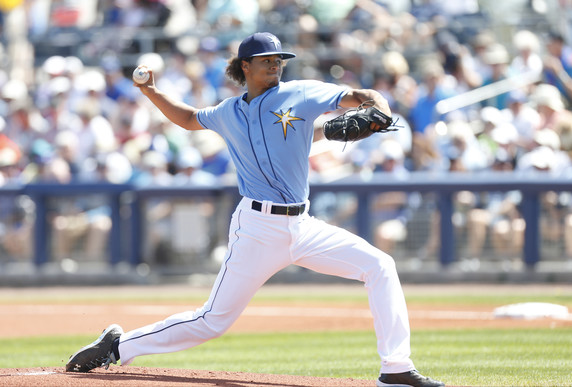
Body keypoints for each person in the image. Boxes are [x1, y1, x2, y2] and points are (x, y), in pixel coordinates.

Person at [65, 32, 445, 387]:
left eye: (279, 58)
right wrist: (150, 92)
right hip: (257, 228)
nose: (275, 64)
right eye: (266, 59)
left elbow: (364, 95)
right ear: (244, 65)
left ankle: (395, 368)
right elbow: (186, 118)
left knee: (380, 265)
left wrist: (378, 109)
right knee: (212, 321)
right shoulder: (229, 111)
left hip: (304, 225)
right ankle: (118, 346)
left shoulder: (303, 92)